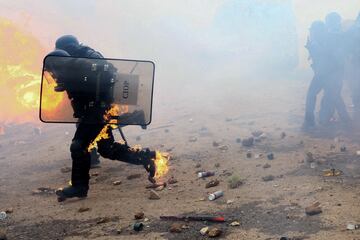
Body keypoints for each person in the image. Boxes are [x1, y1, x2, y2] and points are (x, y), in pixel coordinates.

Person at [45, 36, 156, 202]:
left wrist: (91, 87)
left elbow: (107, 72)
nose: (54, 75)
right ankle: (145, 157)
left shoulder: (85, 59)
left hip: (96, 110)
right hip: (92, 110)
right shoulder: (74, 65)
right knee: (107, 149)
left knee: (78, 145)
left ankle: (79, 187)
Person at [318, 12, 350, 126]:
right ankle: (327, 116)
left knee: (333, 94)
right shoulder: (340, 35)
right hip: (336, 70)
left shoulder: (333, 36)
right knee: (333, 94)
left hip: (334, 71)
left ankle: (329, 117)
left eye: (328, 21)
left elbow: (331, 54)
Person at [302, 20, 328, 129]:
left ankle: (309, 122)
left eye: (313, 30)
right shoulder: (319, 40)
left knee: (311, 95)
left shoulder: (318, 42)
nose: (311, 32)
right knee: (334, 97)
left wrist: (312, 47)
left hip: (323, 74)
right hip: (326, 73)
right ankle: (323, 118)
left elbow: (322, 56)